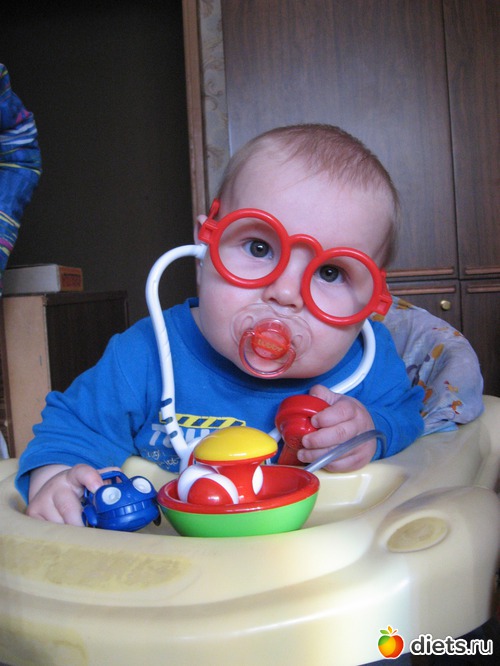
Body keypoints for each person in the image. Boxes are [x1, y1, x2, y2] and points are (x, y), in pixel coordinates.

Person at [16, 123, 425, 526]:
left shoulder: (368, 363)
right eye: (260, 248)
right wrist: (57, 482)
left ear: (373, 297)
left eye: (330, 272)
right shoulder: (144, 356)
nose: (285, 293)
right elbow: (72, 430)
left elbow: (407, 417)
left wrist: (370, 431)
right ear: (205, 247)